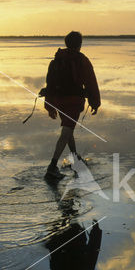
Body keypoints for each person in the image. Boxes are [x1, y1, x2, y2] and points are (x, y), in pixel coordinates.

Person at [43, 31, 100, 179]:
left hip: (59, 101)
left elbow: (49, 84)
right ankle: (52, 166)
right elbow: (91, 82)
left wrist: (49, 105)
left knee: (68, 130)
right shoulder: (82, 60)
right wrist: (95, 102)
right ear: (79, 45)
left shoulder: (56, 60)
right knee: (66, 132)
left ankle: (75, 158)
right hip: (73, 102)